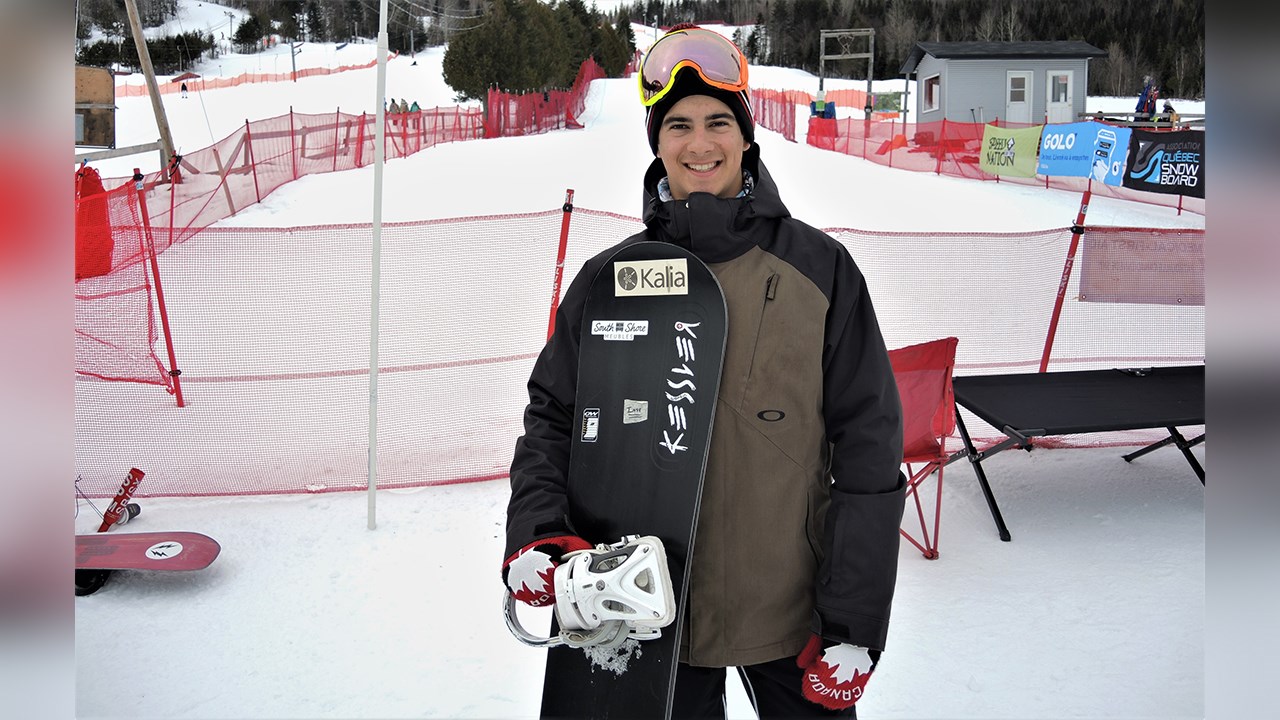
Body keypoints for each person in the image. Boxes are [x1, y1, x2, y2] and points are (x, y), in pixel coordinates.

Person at [503, 24, 906, 718]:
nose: (700, 143)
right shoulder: (612, 280)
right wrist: (538, 529)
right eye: (679, 124)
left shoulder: (819, 271)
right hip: (652, 614)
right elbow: (552, 418)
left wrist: (853, 622)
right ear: (657, 142)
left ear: (747, 136)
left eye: (719, 122)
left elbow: (868, 448)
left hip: (792, 616)